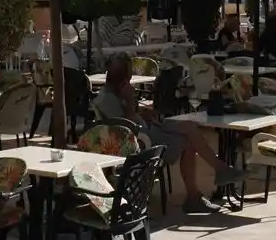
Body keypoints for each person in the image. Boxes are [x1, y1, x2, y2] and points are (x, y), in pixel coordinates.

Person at [93, 54, 245, 213]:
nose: (131, 79)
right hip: (143, 139)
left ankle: (218, 172)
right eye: (129, 75)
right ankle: (202, 189)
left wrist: (143, 113)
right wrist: (131, 102)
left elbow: (131, 118)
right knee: (188, 141)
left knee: (189, 127)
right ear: (122, 77)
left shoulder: (115, 92)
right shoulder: (107, 99)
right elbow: (125, 129)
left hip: (149, 127)